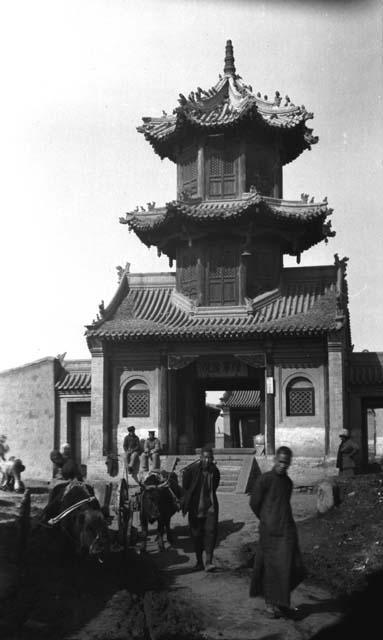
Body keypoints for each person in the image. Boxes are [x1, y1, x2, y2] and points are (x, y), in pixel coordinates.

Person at [249, 446, 305, 619]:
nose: (282, 465)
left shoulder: (287, 483)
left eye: (286, 463)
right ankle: (270, 604)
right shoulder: (264, 480)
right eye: (280, 461)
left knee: (294, 567)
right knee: (272, 568)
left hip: (287, 530)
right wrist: (266, 519)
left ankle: (280, 600)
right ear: (275, 461)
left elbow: (285, 505)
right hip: (270, 532)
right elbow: (254, 503)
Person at [182, 446, 220, 572]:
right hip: (195, 508)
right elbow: (186, 485)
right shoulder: (191, 471)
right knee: (196, 535)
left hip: (210, 508)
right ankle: (199, 562)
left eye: (210, 458)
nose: (207, 460)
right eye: (205, 458)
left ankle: (208, 562)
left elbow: (215, 486)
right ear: (200, 458)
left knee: (210, 533)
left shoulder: (215, 471)